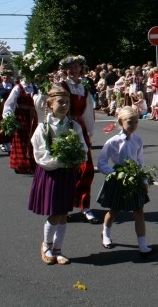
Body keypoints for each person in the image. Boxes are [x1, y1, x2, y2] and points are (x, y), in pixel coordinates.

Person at [28, 84, 88, 265]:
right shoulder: (43, 128)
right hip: (51, 172)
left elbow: (83, 148)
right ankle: (46, 245)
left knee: (63, 213)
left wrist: (77, 157)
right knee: (55, 212)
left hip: (67, 172)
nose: (64, 105)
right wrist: (61, 160)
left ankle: (58, 249)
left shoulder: (73, 126)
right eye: (60, 102)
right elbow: (40, 154)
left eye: (67, 102)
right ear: (50, 104)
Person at [96, 107, 156, 258]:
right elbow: (102, 162)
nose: (134, 124)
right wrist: (113, 173)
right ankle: (105, 233)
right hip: (119, 177)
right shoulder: (113, 141)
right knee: (114, 209)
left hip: (134, 177)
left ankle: (142, 245)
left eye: (136, 121)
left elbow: (140, 161)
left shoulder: (138, 139)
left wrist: (143, 179)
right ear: (120, 122)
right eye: (130, 121)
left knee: (138, 211)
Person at [59, 55, 99, 225]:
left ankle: (85, 206)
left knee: (87, 169)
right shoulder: (60, 86)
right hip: (64, 129)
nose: (74, 70)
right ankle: (64, 205)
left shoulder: (84, 89)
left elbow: (88, 112)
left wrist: (89, 132)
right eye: (71, 67)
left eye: (77, 67)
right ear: (65, 70)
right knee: (66, 170)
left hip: (80, 129)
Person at [2, 76, 39, 174]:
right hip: (21, 116)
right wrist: (9, 117)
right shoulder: (18, 87)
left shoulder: (35, 88)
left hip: (32, 116)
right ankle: (21, 164)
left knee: (32, 139)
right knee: (21, 139)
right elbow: (9, 103)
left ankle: (32, 164)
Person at [0, 70, 15, 153]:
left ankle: (9, 143)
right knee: (1, 127)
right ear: (2, 77)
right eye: (4, 76)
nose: (6, 77)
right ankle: (2, 143)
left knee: (9, 126)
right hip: (0, 110)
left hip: (11, 109)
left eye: (8, 76)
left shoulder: (13, 86)